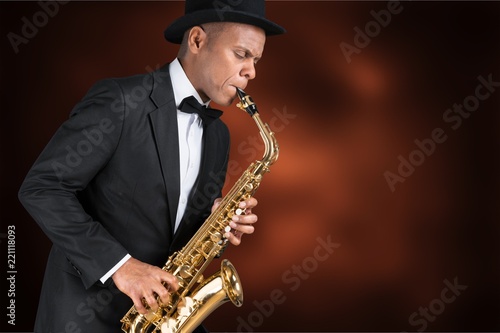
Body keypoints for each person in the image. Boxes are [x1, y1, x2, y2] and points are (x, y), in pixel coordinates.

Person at [18, 0, 285, 332]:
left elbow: (177, 231)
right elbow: (43, 188)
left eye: (256, 60)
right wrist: (122, 267)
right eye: (242, 54)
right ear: (198, 40)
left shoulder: (218, 134)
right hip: (86, 317)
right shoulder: (121, 100)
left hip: (161, 318)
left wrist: (217, 222)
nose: (252, 72)